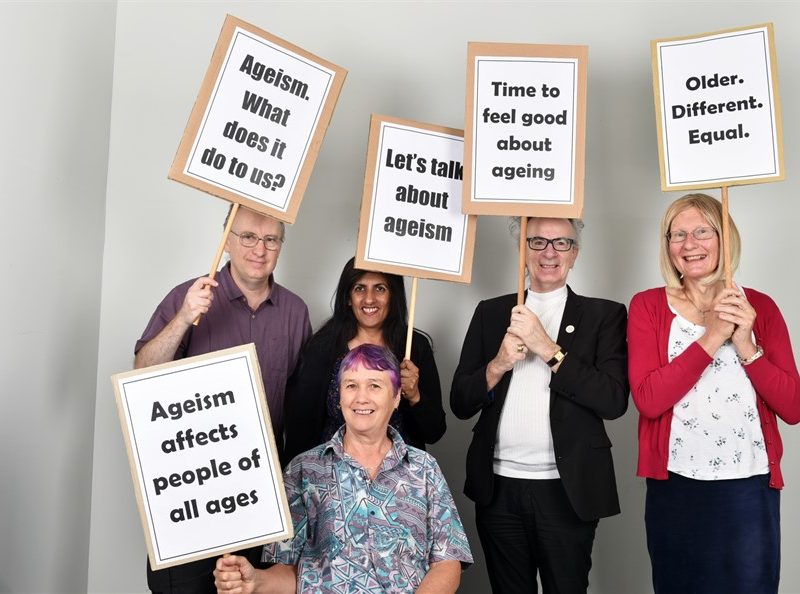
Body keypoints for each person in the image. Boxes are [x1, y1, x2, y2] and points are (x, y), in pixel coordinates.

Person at [628, 193, 800, 594]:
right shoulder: (648, 307)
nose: (690, 244)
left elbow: (792, 407)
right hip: (676, 485)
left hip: (748, 486)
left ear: (725, 238)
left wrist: (745, 344)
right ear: (667, 246)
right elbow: (649, 399)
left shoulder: (761, 308)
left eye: (703, 231)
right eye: (678, 234)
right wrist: (712, 337)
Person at [135, 205, 311, 594]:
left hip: (258, 493)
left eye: (270, 239)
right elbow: (142, 371)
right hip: (190, 484)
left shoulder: (296, 312)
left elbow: (301, 410)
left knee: (245, 590)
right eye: (248, 236)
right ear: (227, 240)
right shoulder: (189, 296)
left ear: (281, 246)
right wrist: (183, 318)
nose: (259, 249)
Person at [451, 217, 629, 594]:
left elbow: (613, 400)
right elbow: (461, 402)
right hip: (498, 489)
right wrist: (498, 364)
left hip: (566, 490)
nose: (549, 252)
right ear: (522, 251)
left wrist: (548, 348)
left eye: (561, 243)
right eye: (537, 242)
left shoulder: (605, 315)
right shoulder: (491, 312)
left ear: (575, 254)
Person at [214, 344, 473, 594]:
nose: (361, 397)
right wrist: (255, 582)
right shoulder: (303, 471)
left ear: (396, 398)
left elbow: (447, 563)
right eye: (351, 385)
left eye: (374, 385)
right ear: (339, 396)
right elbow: (291, 573)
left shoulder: (424, 469)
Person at [283, 257, 446, 464]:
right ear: (348, 297)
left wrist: (414, 396)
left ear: (392, 296)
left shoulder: (414, 347)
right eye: (360, 288)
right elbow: (301, 428)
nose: (369, 299)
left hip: (401, 481)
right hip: (333, 477)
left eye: (380, 289)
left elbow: (435, 432)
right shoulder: (323, 348)